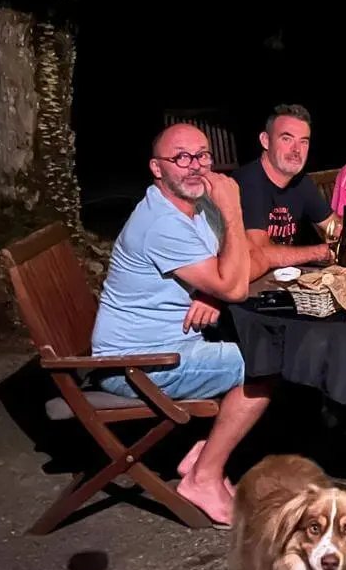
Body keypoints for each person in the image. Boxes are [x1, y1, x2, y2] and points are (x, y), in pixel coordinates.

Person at [91, 123, 253, 524]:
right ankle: (204, 475)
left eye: (202, 155)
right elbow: (236, 283)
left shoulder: (189, 209)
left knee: (265, 346)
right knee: (268, 361)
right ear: (156, 168)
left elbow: (234, 270)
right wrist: (232, 211)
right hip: (140, 364)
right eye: (181, 157)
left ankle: (203, 456)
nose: (195, 166)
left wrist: (210, 290)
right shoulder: (162, 223)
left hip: (168, 347)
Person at [234, 104, 337, 272]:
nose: (296, 150)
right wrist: (321, 252)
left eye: (303, 141)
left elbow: (336, 226)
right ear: (265, 141)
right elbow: (260, 252)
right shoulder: (248, 182)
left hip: (284, 277)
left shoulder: (301, 181)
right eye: (287, 139)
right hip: (249, 284)